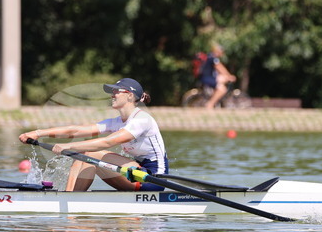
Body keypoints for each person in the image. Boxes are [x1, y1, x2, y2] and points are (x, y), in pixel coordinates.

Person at [18, 77, 168, 192]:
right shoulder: (117, 121)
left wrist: (68, 146)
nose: (112, 95)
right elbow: (76, 130)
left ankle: (67, 197)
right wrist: (38, 133)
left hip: (153, 179)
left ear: (129, 96)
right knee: (86, 157)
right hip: (135, 174)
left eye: (116, 91)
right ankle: (71, 197)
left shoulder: (142, 119)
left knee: (87, 152)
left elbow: (107, 143)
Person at [200, 43, 237, 109]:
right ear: (217, 51)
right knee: (223, 89)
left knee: (223, 79)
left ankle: (215, 96)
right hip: (208, 78)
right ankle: (210, 104)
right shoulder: (213, 59)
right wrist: (229, 76)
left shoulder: (209, 57)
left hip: (206, 78)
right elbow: (220, 68)